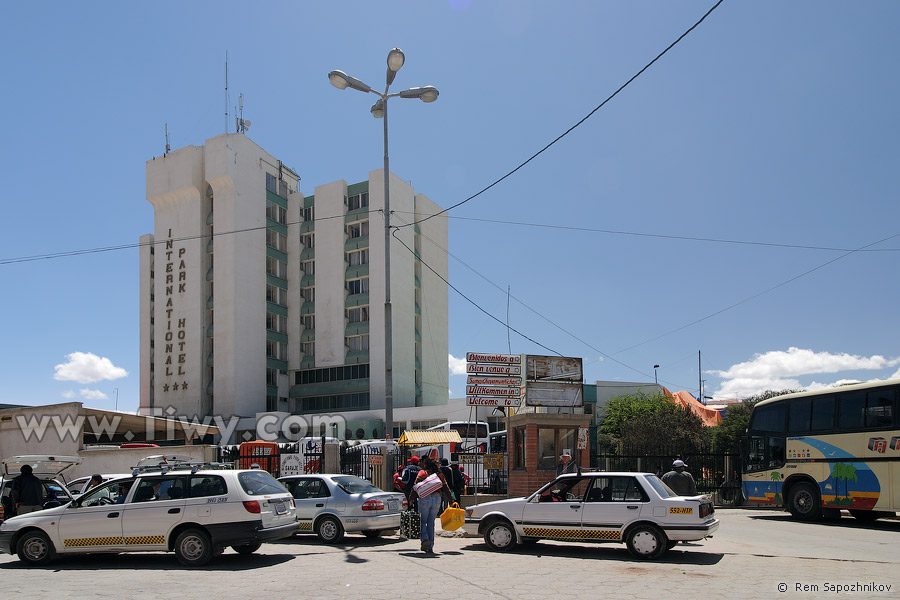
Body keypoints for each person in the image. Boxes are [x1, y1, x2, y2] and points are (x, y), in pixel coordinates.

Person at [410, 457, 453, 554]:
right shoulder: (439, 475)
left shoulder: (422, 473)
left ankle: (425, 539)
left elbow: (415, 486)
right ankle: (430, 547)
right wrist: (450, 499)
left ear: (426, 465)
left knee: (422, 521)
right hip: (437, 498)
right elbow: (446, 488)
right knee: (431, 522)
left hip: (424, 498)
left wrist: (411, 499)